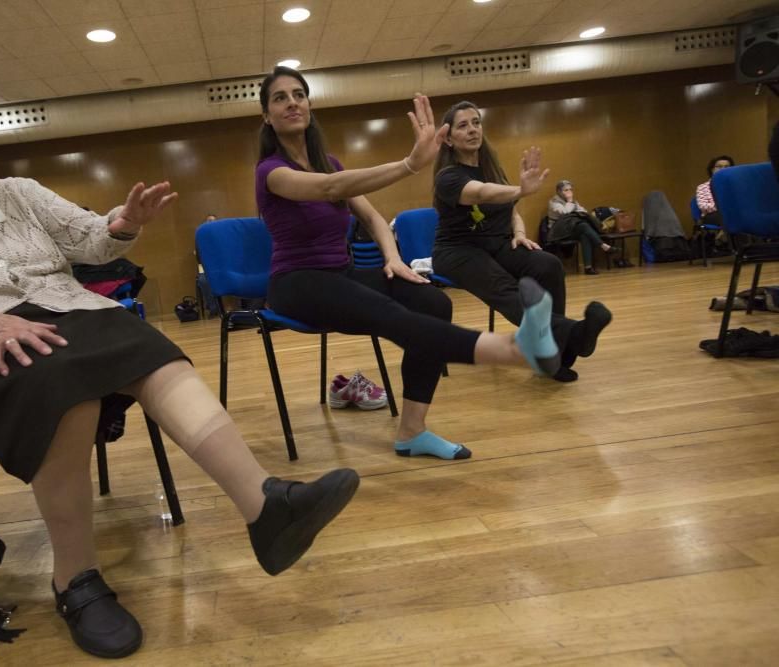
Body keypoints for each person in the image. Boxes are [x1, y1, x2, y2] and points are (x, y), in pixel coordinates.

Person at [0, 85, 361, 660]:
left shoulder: (17, 193)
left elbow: (91, 240)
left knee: (146, 343)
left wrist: (124, 222)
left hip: (68, 315)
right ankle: (75, 580)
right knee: (56, 379)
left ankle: (266, 504)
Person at [255, 66, 564, 462]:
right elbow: (332, 189)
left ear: (310, 105)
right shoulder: (270, 172)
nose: (292, 102)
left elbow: (373, 218)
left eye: (298, 94)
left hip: (340, 274)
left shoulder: (328, 161)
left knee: (433, 302)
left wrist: (393, 258)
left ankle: (412, 430)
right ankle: (513, 349)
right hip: (295, 284)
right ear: (267, 115)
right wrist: (409, 164)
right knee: (387, 313)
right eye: (280, 98)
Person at [429, 100, 612, 384]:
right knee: (505, 285)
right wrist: (520, 189)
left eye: (476, 122)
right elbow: (481, 194)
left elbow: (509, 209)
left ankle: (556, 356)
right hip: (457, 251)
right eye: (463, 125)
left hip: (499, 244)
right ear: (449, 138)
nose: (472, 129)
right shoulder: (448, 177)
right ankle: (573, 336)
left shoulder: (491, 169)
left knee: (547, 264)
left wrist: (520, 234)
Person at [547, 180, 617, 275]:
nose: (569, 192)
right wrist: (570, 201)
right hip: (558, 231)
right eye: (565, 190)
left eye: (570, 190)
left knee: (584, 234)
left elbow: (584, 212)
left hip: (571, 229)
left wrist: (574, 204)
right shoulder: (554, 202)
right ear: (559, 192)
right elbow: (565, 212)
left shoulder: (573, 202)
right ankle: (602, 245)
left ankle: (588, 267)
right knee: (583, 226)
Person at [695, 155, 734, 248]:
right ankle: (739, 250)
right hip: (711, 215)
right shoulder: (702, 187)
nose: (723, 169)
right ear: (712, 170)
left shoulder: (734, 185)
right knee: (732, 216)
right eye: (719, 166)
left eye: (727, 167)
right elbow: (703, 206)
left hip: (732, 214)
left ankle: (724, 234)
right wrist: (724, 207)